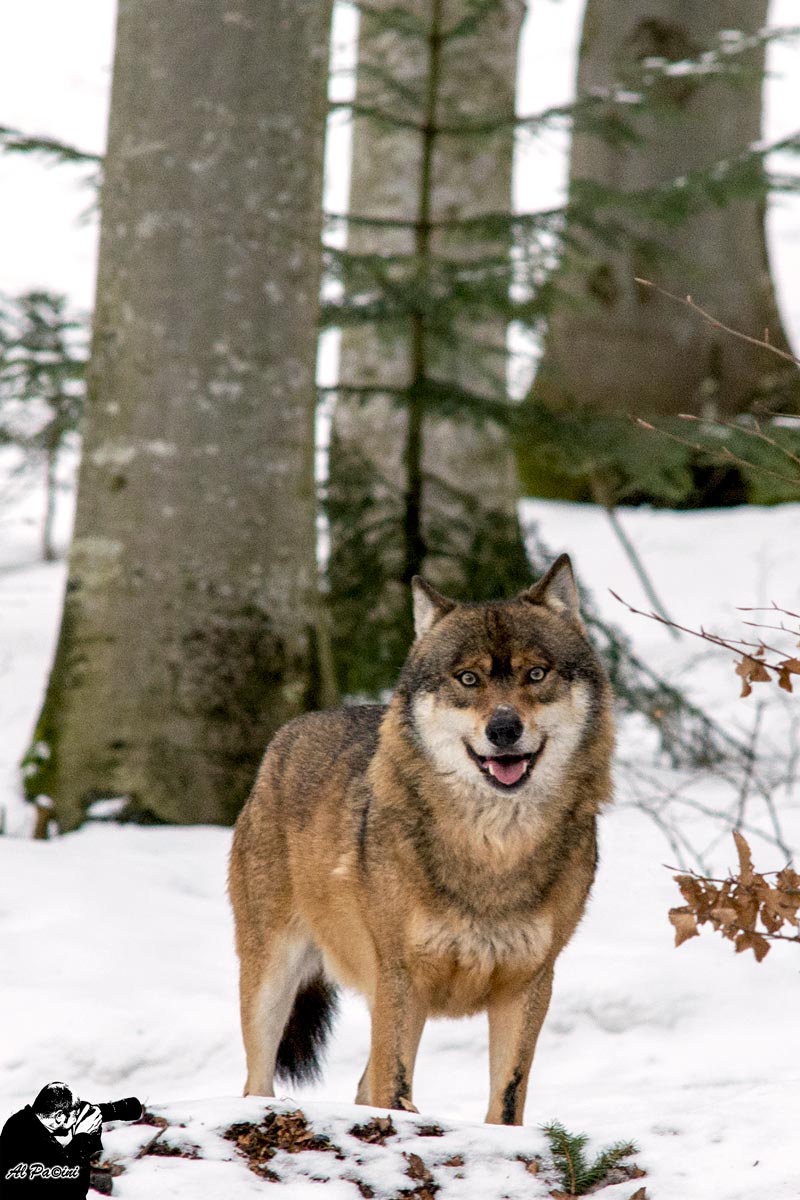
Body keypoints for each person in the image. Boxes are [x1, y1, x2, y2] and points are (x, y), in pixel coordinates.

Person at [1, 1083, 110, 1198]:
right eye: (75, 1115)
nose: (75, 1120)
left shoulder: (18, 1122)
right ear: (59, 1116)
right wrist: (82, 1136)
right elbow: (76, 1191)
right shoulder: (42, 1146)